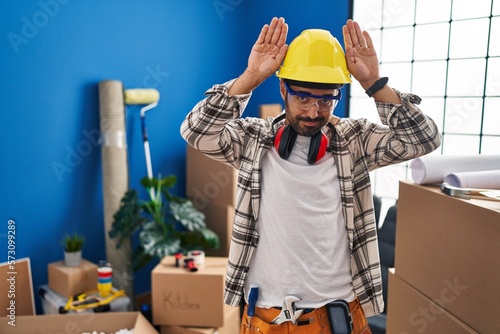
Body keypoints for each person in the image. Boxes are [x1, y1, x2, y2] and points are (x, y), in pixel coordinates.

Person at [181, 17, 441, 334]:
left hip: (339, 317)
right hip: (265, 319)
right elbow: (196, 131)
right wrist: (250, 78)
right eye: (302, 97)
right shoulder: (253, 140)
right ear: (282, 88)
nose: (313, 112)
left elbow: (424, 139)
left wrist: (375, 84)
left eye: (326, 99)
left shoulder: (354, 141)